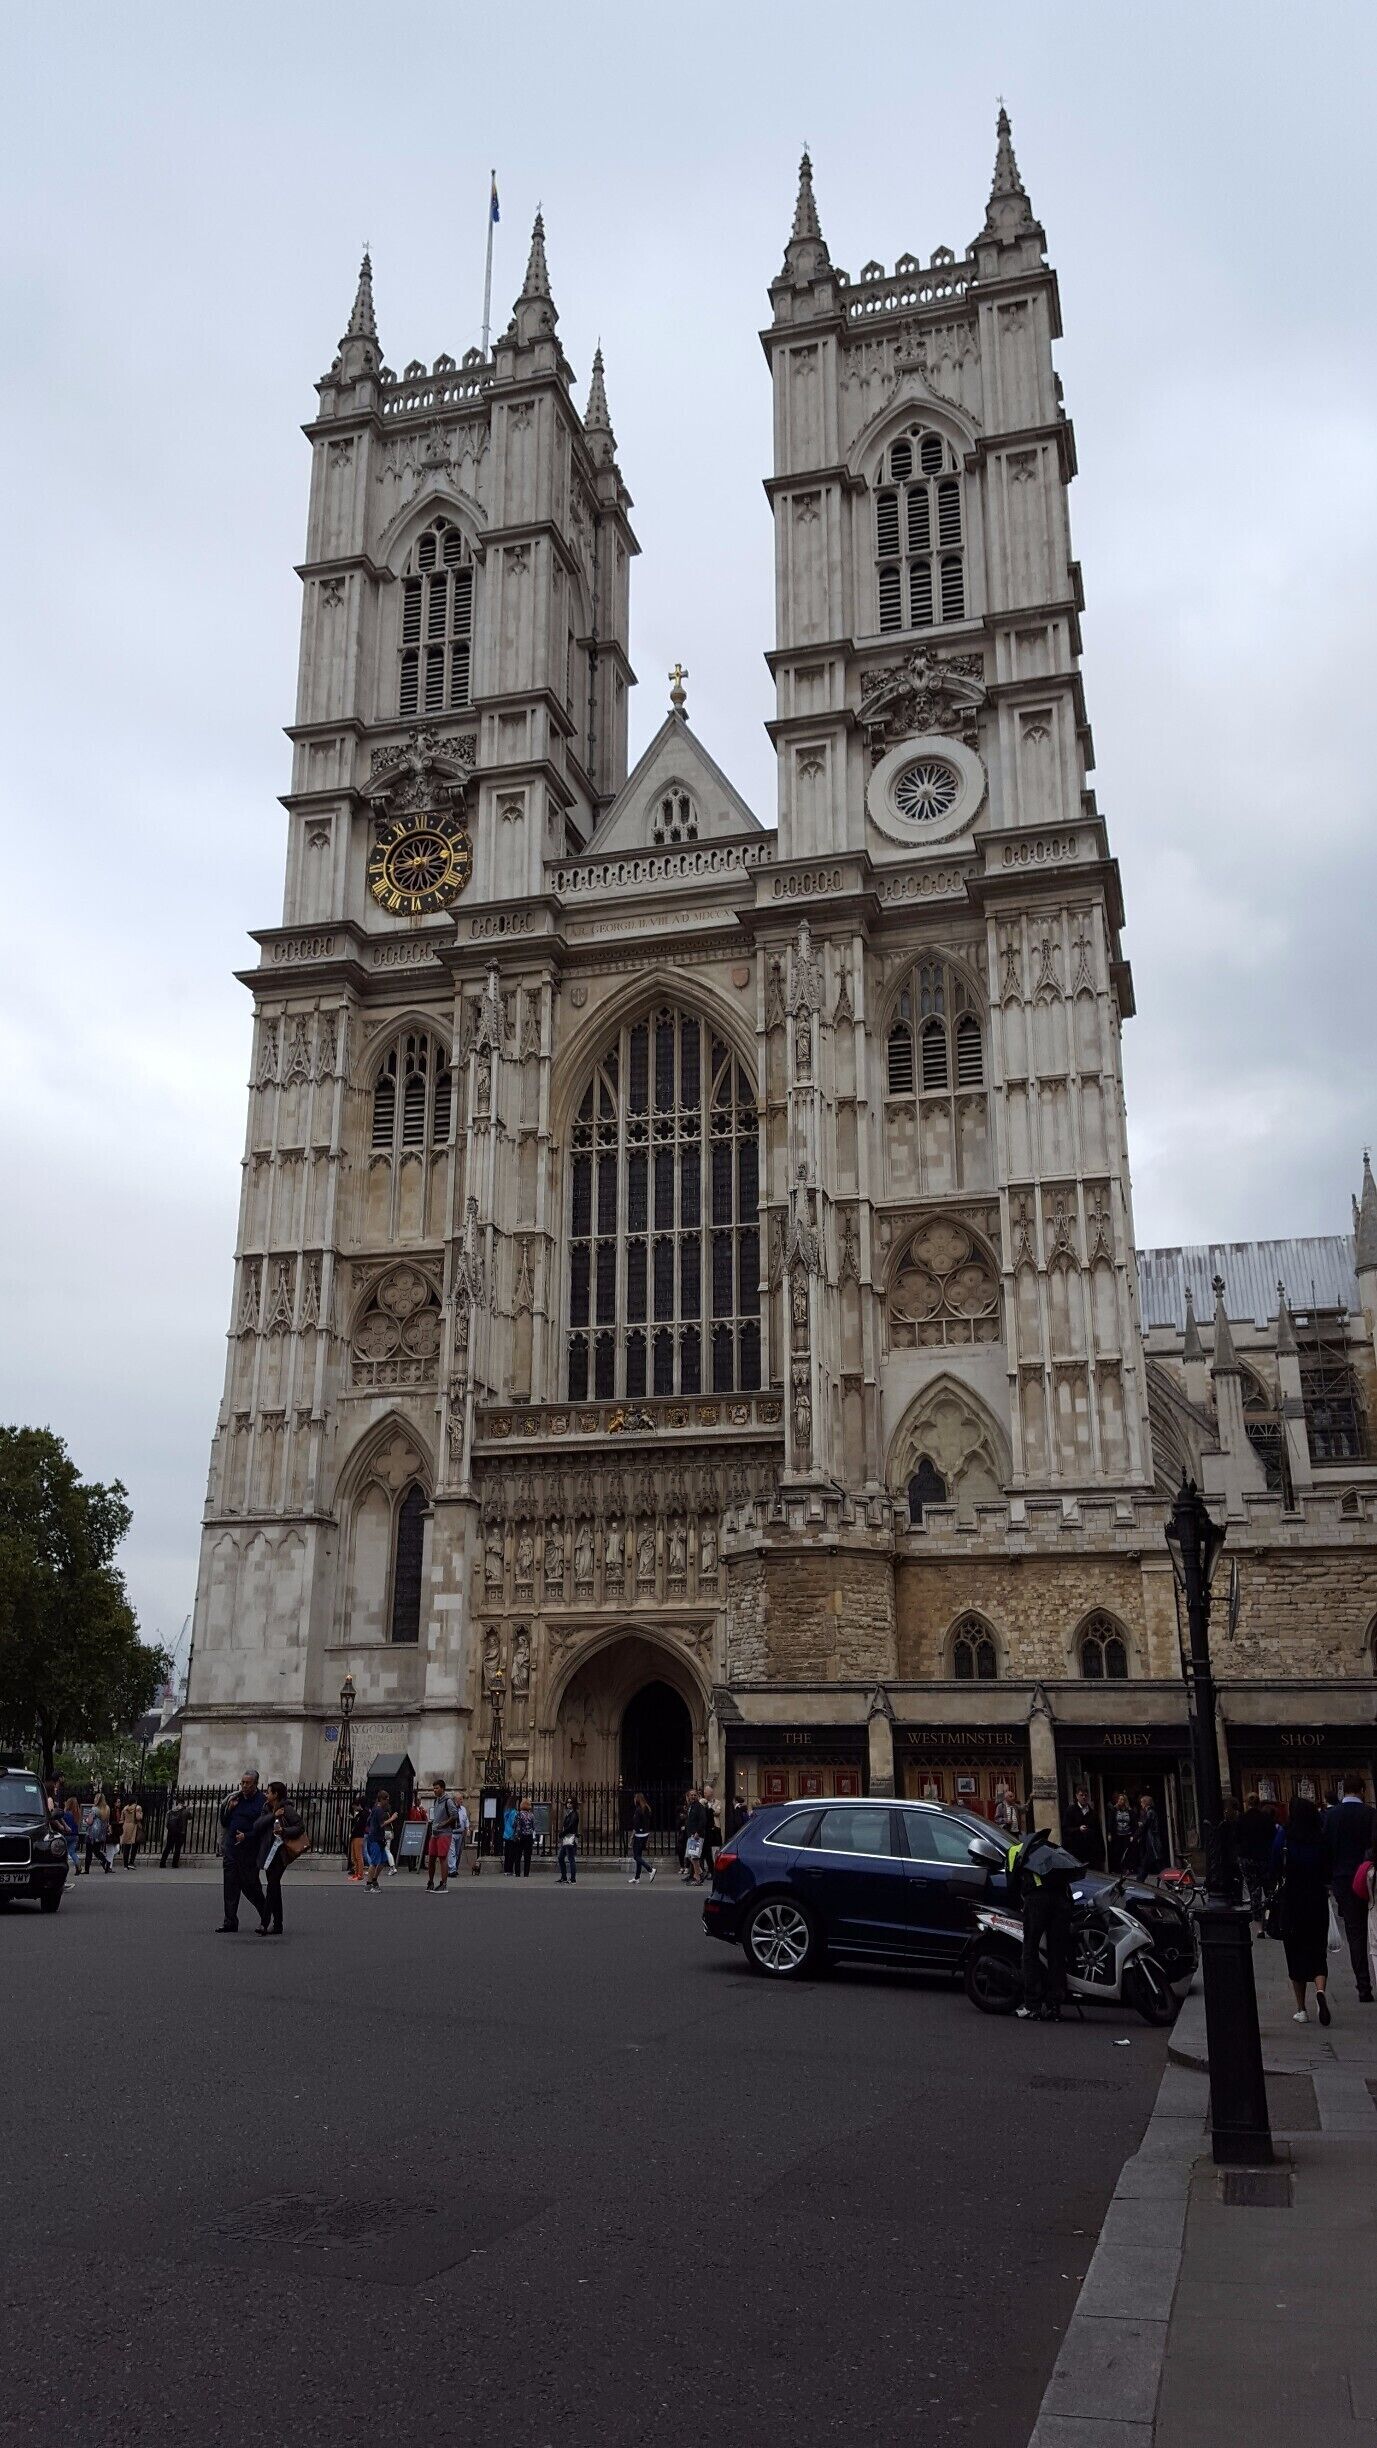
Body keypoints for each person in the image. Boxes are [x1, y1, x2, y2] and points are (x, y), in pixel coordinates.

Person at [1272, 1794, 1333, 2023]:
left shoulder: (1285, 1837)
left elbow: (1273, 1865)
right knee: (1318, 1949)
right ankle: (1320, 1990)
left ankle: (1301, 2009)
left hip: (1292, 1900)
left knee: (1295, 1952)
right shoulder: (1320, 1838)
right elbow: (1328, 1870)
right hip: (1317, 1900)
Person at [1007, 1829, 1078, 2022]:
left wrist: (1019, 1904)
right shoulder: (1053, 1849)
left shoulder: (1015, 1850)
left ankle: (1033, 2006)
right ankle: (1054, 2007)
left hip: (1036, 1901)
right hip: (1061, 1901)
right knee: (1057, 1954)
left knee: (1030, 1950)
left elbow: (1012, 1884)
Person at [1323, 1775, 1375, 2004]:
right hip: (1370, 1877)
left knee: (1355, 1932)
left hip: (1344, 1879)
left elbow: (1327, 1850)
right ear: (1362, 1790)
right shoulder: (1370, 1814)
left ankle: (1363, 1985)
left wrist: (1329, 1880)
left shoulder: (1332, 1816)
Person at [253, 1781, 306, 1935]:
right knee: (274, 1887)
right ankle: (278, 1924)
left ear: (275, 1794)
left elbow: (300, 1827)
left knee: (272, 1886)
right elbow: (257, 1825)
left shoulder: (287, 1809)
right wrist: (272, 1816)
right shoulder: (266, 1808)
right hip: (268, 1851)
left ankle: (264, 1923)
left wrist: (284, 1831)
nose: (266, 1794)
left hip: (281, 1853)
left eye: (268, 1792)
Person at [217, 1770, 267, 1933]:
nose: (244, 1786)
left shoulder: (262, 1802)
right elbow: (224, 1822)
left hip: (249, 1851)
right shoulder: (235, 1798)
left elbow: (263, 1828)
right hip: (232, 1849)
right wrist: (230, 1809)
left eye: (248, 1783)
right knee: (230, 1886)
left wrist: (247, 1836)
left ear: (256, 1784)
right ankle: (230, 1921)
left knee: (251, 1886)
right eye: (242, 1782)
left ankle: (266, 1916)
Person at [1237, 1790, 1278, 1926]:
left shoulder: (1242, 1819)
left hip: (1247, 1858)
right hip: (1263, 1857)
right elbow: (1273, 1837)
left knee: (1254, 1889)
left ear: (1246, 1803)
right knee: (1268, 1889)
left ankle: (1258, 1919)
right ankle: (1270, 1916)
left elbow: (1237, 1839)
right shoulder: (1266, 1819)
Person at [424, 1779, 458, 1893]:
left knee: (442, 1857)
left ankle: (444, 1883)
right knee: (432, 1857)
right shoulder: (436, 1801)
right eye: (434, 1788)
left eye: (437, 1788)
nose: (434, 1790)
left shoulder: (448, 1801)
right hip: (435, 1832)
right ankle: (430, 1882)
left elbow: (454, 1815)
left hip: (444, 1833)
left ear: (442, 1788)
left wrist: (444, 1823)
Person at [1062, 1786, 1104, 1871]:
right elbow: (1065, 1829)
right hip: (1075, 1852)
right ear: (1077, 1796)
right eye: (1081, 1795)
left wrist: (1102, 1853)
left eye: (1086, 1795)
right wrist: (1078, 1829)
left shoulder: (1093, 1813)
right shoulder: (1071, 1811)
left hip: (1090, 1853)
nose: (1084, 1797)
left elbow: (1098, 1833)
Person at [362, 1789, 393, 1891]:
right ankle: (368, 1884)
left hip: (379, 1838)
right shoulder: (378, 1810)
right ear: (382, 1799)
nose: (387, 1801)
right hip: (375, 1839)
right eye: (386, 1799)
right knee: (374, 1862)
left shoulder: (376, 1809)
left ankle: (374, 1880)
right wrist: (392, 1818)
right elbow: (381, 1824)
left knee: (383, 1860)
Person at [1129, 1793, 1164, 1878]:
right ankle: (1140, 1879)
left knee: (1156, 1863)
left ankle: (1168, 1881)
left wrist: (1135, 1836)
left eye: (1142, 1802)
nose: (1141, 1804)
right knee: (1147, 1862)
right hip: (1151, 1841)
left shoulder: (1150, 1812)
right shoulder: (1150, 1812)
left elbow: (1145, 1826)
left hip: (1152, 1842)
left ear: (1145, 1803)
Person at [627, 1791, 657, 1883]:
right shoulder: (646, 1808)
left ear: (637, 1800)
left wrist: (631, 1837)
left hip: (639, 1835)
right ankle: (637, 1877)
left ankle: (650, 1869)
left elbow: (636, 1825)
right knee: (638, 1856)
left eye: (635, 1798)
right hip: (645, 1834)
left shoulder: (638, 1810)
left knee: (636, 1856)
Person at [683, 1788, 709, 1885]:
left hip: (696, 1835)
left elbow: (703, 1820)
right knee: (689, 1855)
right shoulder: (691, 1806)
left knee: (694, 1856)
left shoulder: (699, 1807)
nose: (693, 1797)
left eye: (695, 1795)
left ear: (697, 1796)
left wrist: (698, 1832)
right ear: (688, 1796)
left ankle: (697, 1878)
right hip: (691, 1835)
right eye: (691, 1795)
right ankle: (701, 1873)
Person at [82, 1795, 112, 1875]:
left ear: (98, 1800)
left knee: (88, 1852)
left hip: (92, 1833)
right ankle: (106, 1862)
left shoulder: (94, 1809)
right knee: (97, 1851)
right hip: (101, 1833)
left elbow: (90, 1822)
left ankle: (86, 1869)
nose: (94, 1799)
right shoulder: (107, 1809)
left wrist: (86, 1820)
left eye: (95, 1798)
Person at [1106, 1791, 1134, 1874]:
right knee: (1117, 1851)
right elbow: (1110, 1822)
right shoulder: (1114, 1810)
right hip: (1117, 1834)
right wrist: (1109, 1833)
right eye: (1119, 1799)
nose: (1120, 1801)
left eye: (1122, 1799)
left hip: (1127, 1834)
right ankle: (1117, 1869)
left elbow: (1133, 1822)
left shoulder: (1129, 1811)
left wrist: (1132, 1834)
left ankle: (1126, 1868)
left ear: (1125, 1801)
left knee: (1127, 1852)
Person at [160, 1798, 189, 1868]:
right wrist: (187, 1808)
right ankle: (174, 1864)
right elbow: (190, 1817)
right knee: (177, 1848)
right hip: (180, 1832)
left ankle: (162, 1863)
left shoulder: (170, 1811)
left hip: (171, 1832)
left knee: (168, 1847)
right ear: (183, 1804)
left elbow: (167, 1823)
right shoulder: (184, 1811)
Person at [447, 1794, 470, 1879]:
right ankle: (452, 1870)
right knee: (452, 1852)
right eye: (460, 1799)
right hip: (452, 1833)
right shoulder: (451, 1808)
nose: (462, 1801)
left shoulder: (463, 1809)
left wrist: (467, 1829)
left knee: (457, 1853)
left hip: (460, 1833)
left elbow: (466, 1819)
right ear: (455, 1800)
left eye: (462, 1799)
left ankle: (455, 1868)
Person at [558, 1797, 579, 1884]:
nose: (569, 1804)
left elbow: (570, 1826)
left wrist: (562, 1833)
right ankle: (564, 1877)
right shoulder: (569, 1813)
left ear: (574, 1804)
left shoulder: (574, 1814)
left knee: (571, 1858)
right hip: (566, 1839)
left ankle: (573, 1879)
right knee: (560, 1858)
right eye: (567, 1802)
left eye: (570, 1803)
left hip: (570, 1838)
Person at [118, 1795, 144, 1869]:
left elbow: (121, 1819)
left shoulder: (125, 1808)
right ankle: (131, 1862)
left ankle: (125, 1865)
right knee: (135, 1845)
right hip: (134, 1826)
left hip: (126, 1827)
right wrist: (141, 1814)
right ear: (135, 1801)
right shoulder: (138, 1807)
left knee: (126, 1846)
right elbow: (138, 1818)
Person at [514, 1796, 535, 1878]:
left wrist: (517, 1835)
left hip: (520, 1836)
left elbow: (516, 1825)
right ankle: (526, 1873)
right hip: (529, 1836)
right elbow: (533, 1826)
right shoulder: (531, 1815)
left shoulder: (519, 1814)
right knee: (527, 1856)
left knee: (518, 1855)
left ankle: (517, 1873)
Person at [347, 1799, 367, 1882]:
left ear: (358, 1805)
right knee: (354, 1856)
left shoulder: (363, 1814)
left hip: (359, 1836)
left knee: (358, 1856)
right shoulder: (359, 1815)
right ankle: (356, 1873)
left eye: (355, 1807)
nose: (354, 1809)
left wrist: (354, 1819)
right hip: (354, 1836)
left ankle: (360, 1874)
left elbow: (360, 1825)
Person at [502, 1799, 519, 1875]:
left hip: (506, 1833)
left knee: (507, 1853)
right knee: (512, 1853)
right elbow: (513, 1824)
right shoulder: (514, 1812)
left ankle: (506, 1869)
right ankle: (510, 1869)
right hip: (512, 1834)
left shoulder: (506, 1811)